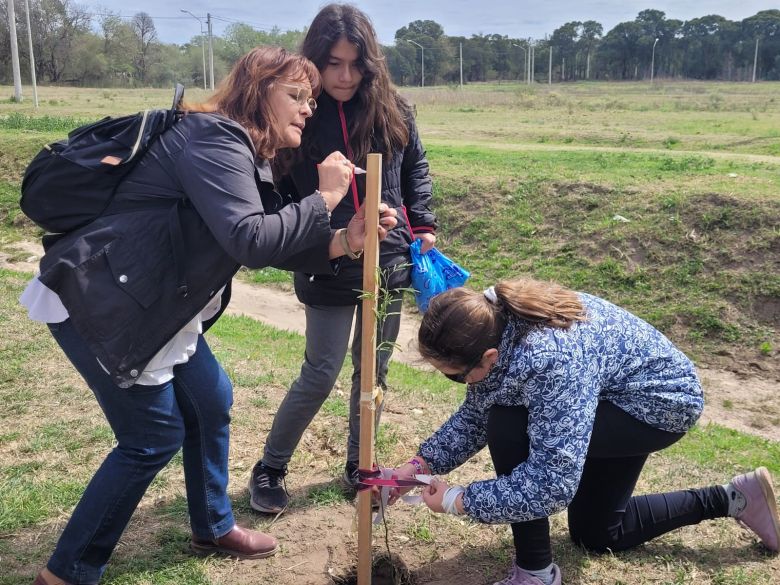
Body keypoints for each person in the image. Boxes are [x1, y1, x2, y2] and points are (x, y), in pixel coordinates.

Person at [22, 46, 397, 585]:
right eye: (296, 95)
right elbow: (250, 239)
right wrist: (325, 197)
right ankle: (67, 573)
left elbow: (266, 236)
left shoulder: (242, 149)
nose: (307, 108)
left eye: (311, 100)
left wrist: (343, 239)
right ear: (256, 90)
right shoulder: (213, 138)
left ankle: (213, 526)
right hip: (106, 300)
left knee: (210, 399)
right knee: (151, 435)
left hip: (153, 301)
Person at [390, 279, 780, 585]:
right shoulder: (490, 322)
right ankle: (731, 498)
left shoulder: (548, 359)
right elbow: (478, 410)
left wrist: (460, 500)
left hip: (657, 406)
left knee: (509, 426)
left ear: (488, 356)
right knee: (597, 534)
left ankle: (535, 573)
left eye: (454, 376)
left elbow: (551, 482)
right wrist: (417, 466)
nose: (457, 383)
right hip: (609, 392)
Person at [249, 3, 438, 514]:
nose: (345, 76)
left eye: (356, 64)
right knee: (321, 370)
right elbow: (281, 192)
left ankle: (361, 463)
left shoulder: (393, 108)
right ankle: (270, 467)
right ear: (316, 60)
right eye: (334, 63)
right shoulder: (299, 116)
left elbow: (416, 165)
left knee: (372, 373)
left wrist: (422, 223)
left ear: (370, 63)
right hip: (326, 258)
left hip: (391, 257)